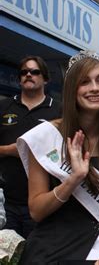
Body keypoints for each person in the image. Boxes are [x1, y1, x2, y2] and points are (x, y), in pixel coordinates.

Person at [16, 51, 99, 264]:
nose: (95, 88)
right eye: (85, 82)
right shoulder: (45, 136)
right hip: (53, 247)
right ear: (72, 89)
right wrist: (73, 180)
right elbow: (36, 211)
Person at [0, 55, 61, 238]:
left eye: (35, 72)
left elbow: (65, 152)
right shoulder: (4, 106)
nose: (29, 75)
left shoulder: (58, 110)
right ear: (19, 78)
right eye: (24, 72)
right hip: (5, 202)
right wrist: (8, 150)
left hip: (41, 203)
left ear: (45, 79)